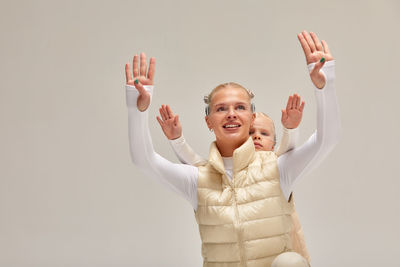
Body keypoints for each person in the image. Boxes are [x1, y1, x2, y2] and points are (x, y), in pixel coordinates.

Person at [125, 30, 340, 266]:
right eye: (221, 109)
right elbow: (144, 160)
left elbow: (326, 140)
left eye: (239, 107)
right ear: (208, 121)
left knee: (290, 262)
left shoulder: (278, 169)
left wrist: (325, 86)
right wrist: (137, 110)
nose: (231, 114)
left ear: (251, 116)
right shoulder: (197, 180)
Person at [156, 94, 311, 264]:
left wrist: (291, 129)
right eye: (251, 132)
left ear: (273, 144)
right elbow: (197, 165)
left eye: (264, 133)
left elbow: (288, 151)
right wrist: (177, 140)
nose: (257, 136)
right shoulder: (225, 170)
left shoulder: (275, 164)